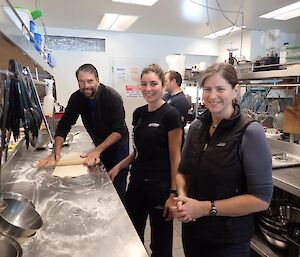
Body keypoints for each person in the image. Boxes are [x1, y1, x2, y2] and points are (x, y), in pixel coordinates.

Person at [173, 62, 273, 257]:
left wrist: (204, 208)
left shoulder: (250, 131)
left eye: (220, 89)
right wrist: (183, 198)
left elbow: (261, 199)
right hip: (194, 232)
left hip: (228, 240)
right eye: (207, 89)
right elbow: (182, 172)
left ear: (235, 91)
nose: (212, 96)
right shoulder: (196, 128)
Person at [108, 64, 182, 257]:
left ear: (163, 85)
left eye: (153, 84)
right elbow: (138, 152)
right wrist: (119, 166)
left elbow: (175, 157)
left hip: (160, 188)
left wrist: (173, 193)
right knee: (133, 236)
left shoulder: (171, 116)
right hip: (137, 184)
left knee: (161, 243)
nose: (148, 89)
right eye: (144, 84)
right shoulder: (138, 113)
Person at [38, 63, 129, 201]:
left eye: (90, 81)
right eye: (82, 82)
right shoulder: (77, 98)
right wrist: (56, 151)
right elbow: (64, 125)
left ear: (98, 80)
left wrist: (97, 150)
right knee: (101, 183)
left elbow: (119, 130)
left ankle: (122, 215)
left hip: (118, 148)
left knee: (117, 186)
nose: (86, 85)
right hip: (99, 145)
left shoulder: (112, 97)